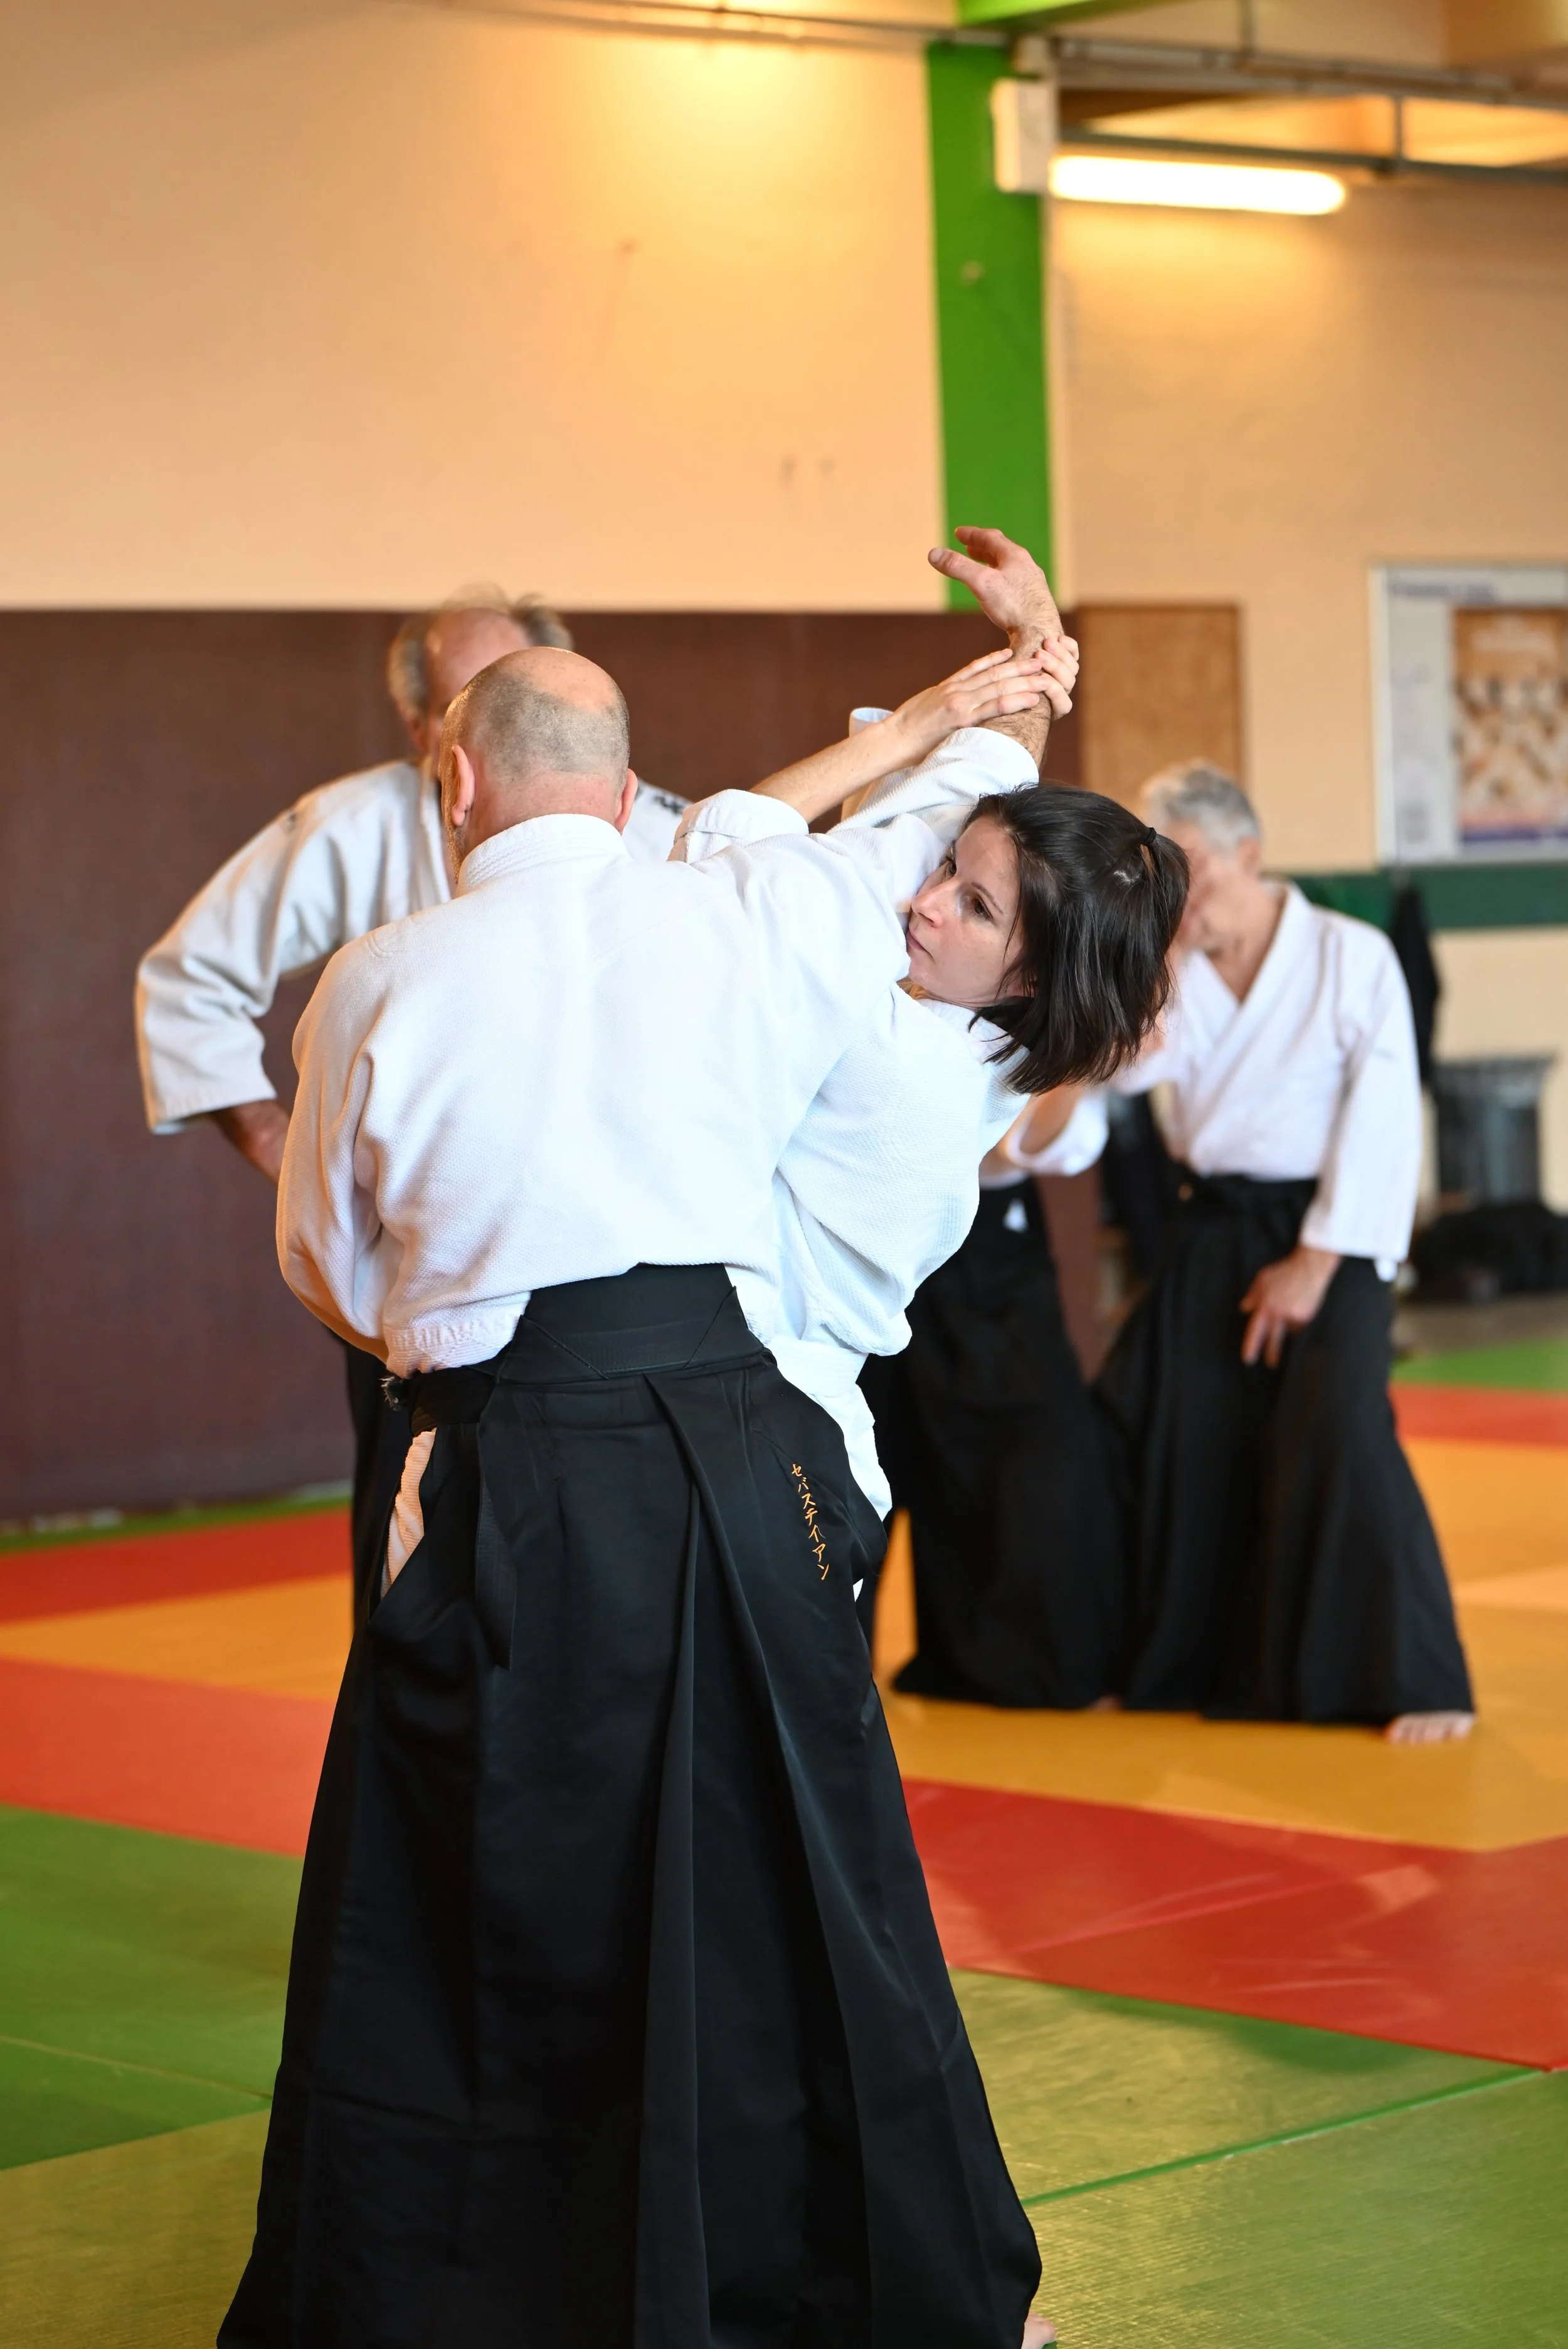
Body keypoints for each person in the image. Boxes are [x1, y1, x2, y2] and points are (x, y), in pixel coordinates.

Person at [221, 535, 1184, 2349]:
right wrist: (1006, 683)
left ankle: (479, 2287)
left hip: (525, 1453)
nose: (937, 909)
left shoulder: (389, 970)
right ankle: (901, 2279)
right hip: (751, 1463)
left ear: (451, 776)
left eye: (977, 917)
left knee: (471, 1885)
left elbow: (334, 1271)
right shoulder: (792, 928)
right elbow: (939, 821)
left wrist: (973, 701)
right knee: (803, 1884)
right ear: (623, 781)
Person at [134, 593, 688, 1615]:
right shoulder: (354, 832)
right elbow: (190, 976)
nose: (496, 721)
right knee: (419, 1584)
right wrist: (273, 1136)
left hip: (611, 1265)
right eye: (463, 702)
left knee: (617, 1575)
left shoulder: (644, 827)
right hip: (418, 1282)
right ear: (419, 730)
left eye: (519, 693)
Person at [1094, 762, 1475, 1742]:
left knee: (1338, 1424)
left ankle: (1411, 1673)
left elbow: (1385, 1118)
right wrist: (1108, 1049)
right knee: (1162, 1423)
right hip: (1211, 1225)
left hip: (1330, 1225)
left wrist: (1319, 1257)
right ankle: (1168, 1661)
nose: (1183, 906)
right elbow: (1123, 1078)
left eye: (1197, 879)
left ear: (1249, 857)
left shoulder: (1355, 956)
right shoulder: (1173, 974)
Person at [860, 1090, 1128, 1707]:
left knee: (1038, 1453)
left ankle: (1022, 1661)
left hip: (993, 1246)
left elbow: (1025, 1143)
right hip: (882, 1230)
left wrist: (1088, 1065)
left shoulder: (1032, 1012)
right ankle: (831, 1678)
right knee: (863, 1464)